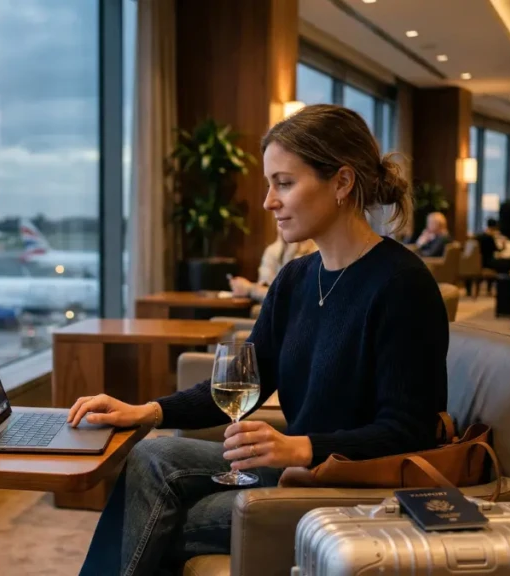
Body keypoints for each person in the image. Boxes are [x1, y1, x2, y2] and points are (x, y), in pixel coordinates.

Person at [67, 104, 449, 576]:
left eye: (283, 183)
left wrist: (301, 447)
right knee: (152, 453)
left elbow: (409, 429)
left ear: (342, 182)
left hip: (351, 488)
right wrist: (148, 411)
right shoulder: (295, 279)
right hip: (296, 469)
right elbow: (244, 383)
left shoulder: (402, 284)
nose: (269, 201)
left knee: (160, 519)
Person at [228, 227, 317, 302]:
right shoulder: (272, 251)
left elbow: (297, 299)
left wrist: (250, 289)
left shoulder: (318, 251)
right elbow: (269, 292)